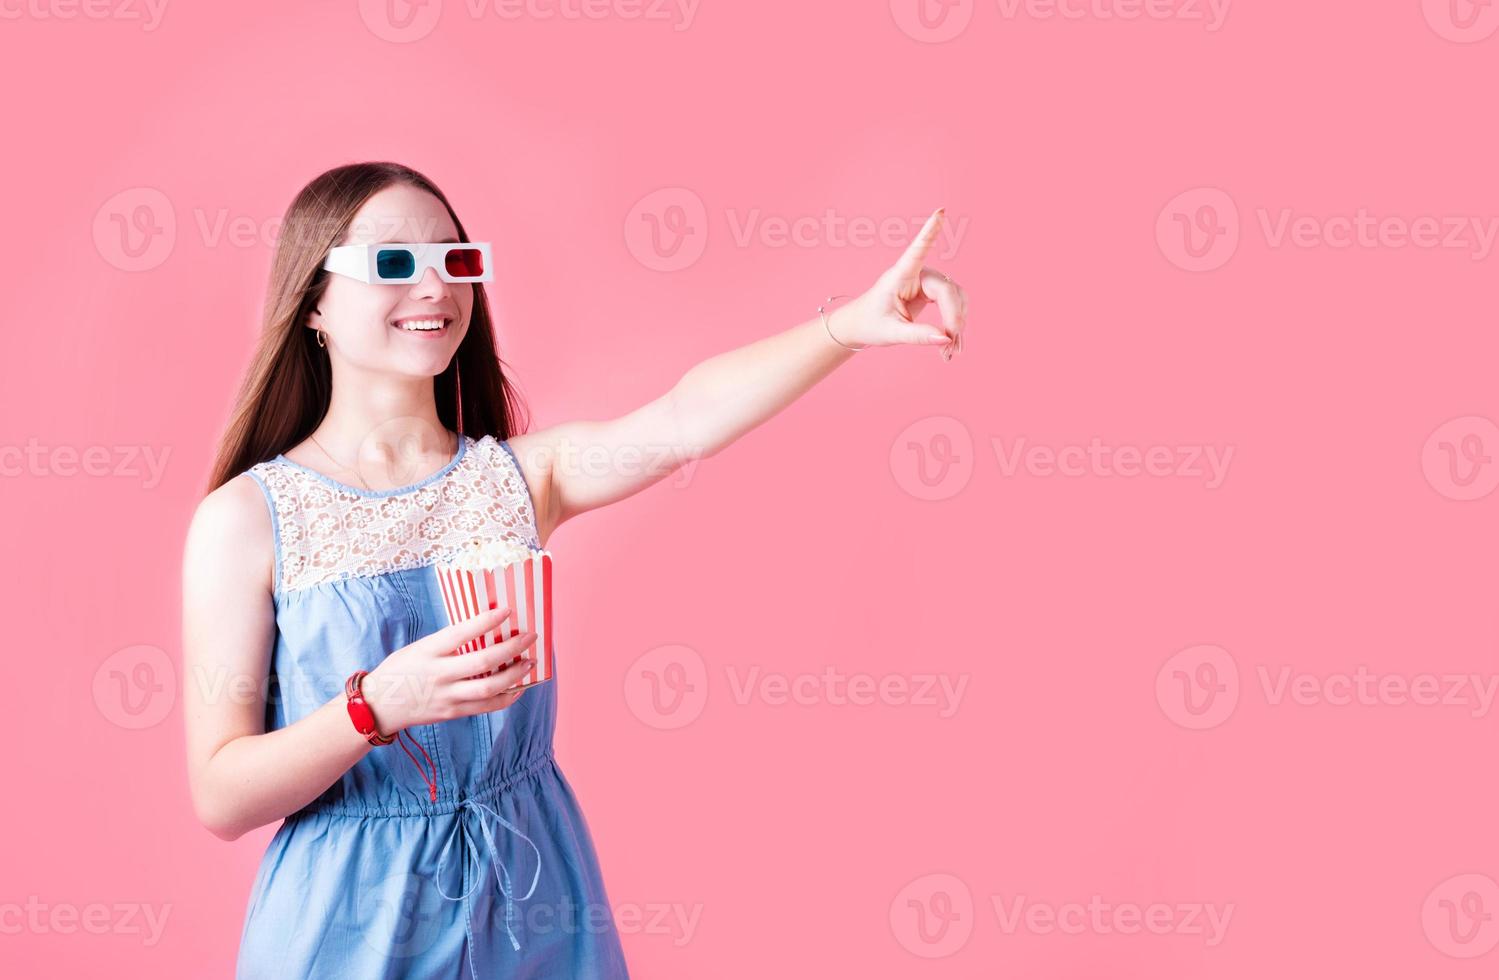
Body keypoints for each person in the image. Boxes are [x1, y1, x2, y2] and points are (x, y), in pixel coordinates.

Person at [181, 160, 968, 978]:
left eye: (455, 259)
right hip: (349, 924)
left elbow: (683, 419)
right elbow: (220, 794)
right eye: (391, 262)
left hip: (533, 902)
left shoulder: (519, 480)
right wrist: (380, 704)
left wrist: (845, 327)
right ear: (313, 302)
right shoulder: (246, 521)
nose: (433, 287)